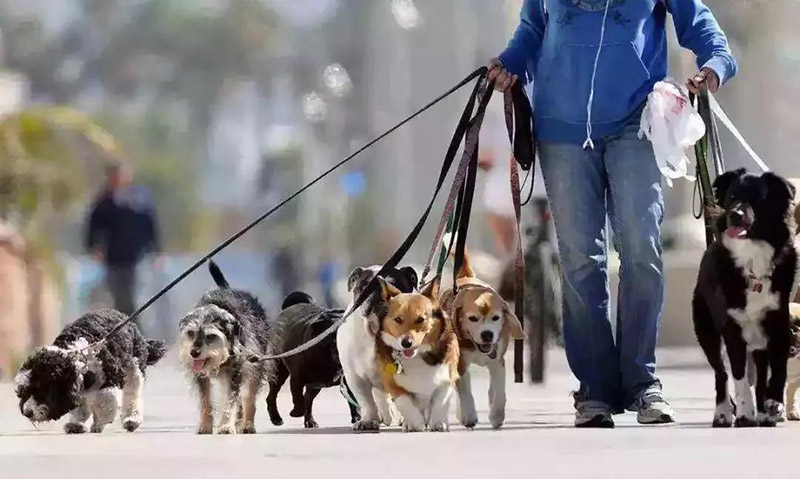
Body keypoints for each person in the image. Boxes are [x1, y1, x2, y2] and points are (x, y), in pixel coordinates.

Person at [489, 0, 737, 427]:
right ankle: (594, 389)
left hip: (637, 122)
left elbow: (700, 24)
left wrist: (714, 64)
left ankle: (642, 382)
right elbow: (531, 32)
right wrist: (508, 64)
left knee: (642, 247)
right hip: (561, 130)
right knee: (581, 257)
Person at [85, 162, 161, 317]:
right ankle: (128, 329)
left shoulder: (138, 200)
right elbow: (93, 227)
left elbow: (150, 225)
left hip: (136, 257)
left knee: (132, 296)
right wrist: (94, 247)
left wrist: (156, 250)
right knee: (119, 296)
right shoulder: (104, 202)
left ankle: (135, 331)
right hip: (113, 258)